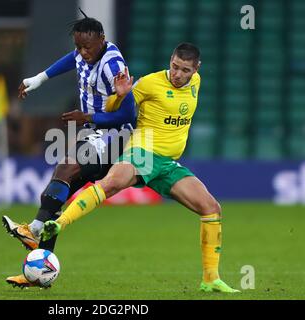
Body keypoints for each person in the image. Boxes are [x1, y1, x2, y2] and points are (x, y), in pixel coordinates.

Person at [41, 43, 240, 293]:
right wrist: (122, 94)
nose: (178, 74)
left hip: (167, 164)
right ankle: (60, 223)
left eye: (185, 70)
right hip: (142, 152)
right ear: (170, 60)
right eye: (175, 67)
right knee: (110, 184)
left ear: (196, 69)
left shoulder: (196, 82)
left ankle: (210, 279)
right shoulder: (149, 83)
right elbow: (113, 109)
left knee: (211, 208)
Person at [2, 14, 136, 288]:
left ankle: (33, 230)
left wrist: (88, 118)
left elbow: (129, 116)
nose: (83, 53)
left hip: (114, 136)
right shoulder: (82, 52)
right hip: (94, 132)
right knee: (53, 195)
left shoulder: (113, 66)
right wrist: (39, 78)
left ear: (102, 40)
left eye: (88, 47)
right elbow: (71, 60)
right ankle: (39, 271)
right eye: (78, 46)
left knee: (64, 168)